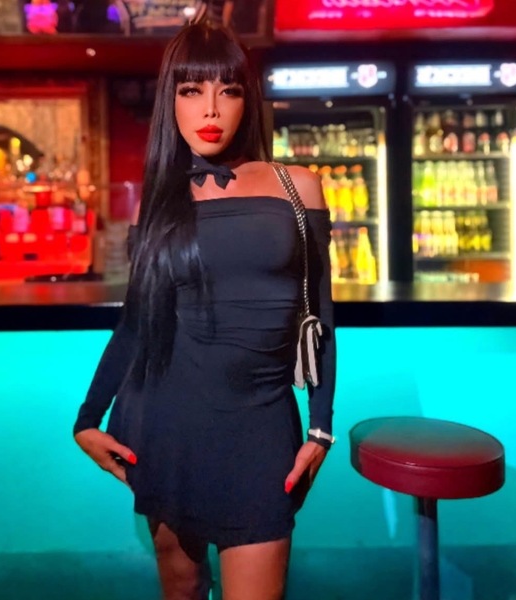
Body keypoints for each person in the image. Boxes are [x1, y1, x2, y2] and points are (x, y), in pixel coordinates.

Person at [73, 22, 336, 600]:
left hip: (260, 429)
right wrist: (87, 420)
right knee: (183, 589)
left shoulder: (299, 186)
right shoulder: (159, 198)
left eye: (228, 90)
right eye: (191, 90)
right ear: (171, 101)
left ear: (248, 100)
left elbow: (320, 317)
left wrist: (320, 428)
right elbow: (137, 324)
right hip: (165, 427)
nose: (211, 108)